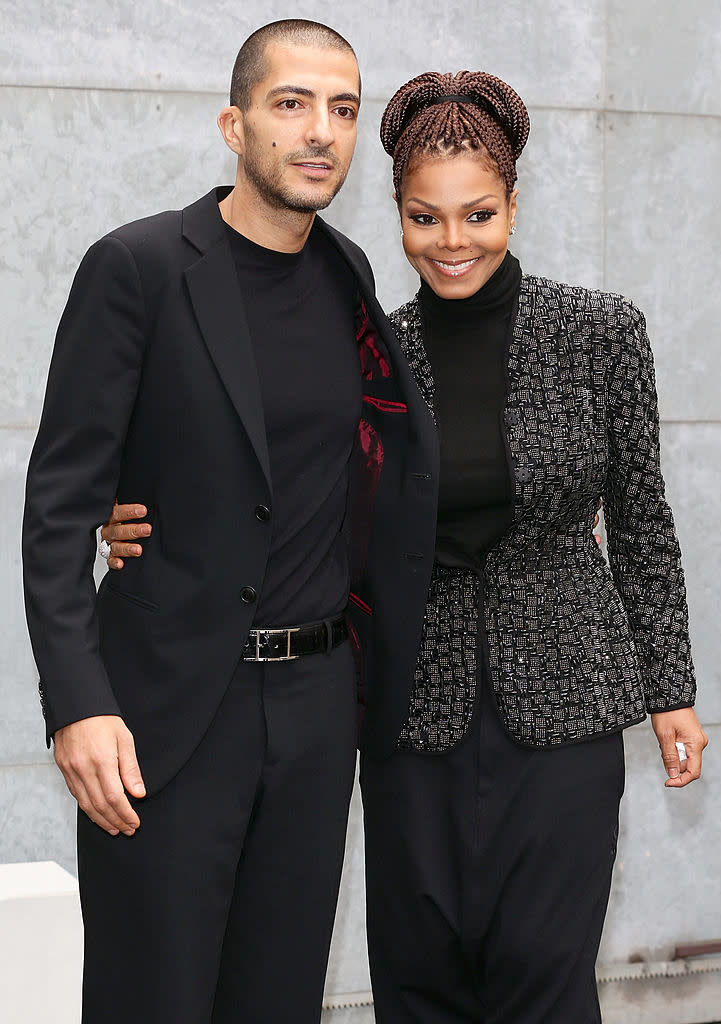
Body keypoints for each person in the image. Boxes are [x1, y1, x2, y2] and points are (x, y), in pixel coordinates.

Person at [104, 68, 709, 1022]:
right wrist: (138, 515)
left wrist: (670, 686)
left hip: (569, 705)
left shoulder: (599, 333)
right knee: (419, 980)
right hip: (408, 713)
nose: (452, 243)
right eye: (425, 219)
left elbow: (643, 522)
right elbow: (286, 482)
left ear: (513, 204)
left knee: (542, 974)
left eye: (477, 215)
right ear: (397, 214)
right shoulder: (374, 351)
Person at [22, 20, 439, 1024]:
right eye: (291, 104)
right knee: (151, 999)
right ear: (233, 122)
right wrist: (78, 701)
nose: (320, 132)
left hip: (313, 710)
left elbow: (373, 470)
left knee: (278, 1001)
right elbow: (58, 509)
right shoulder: (138, 268)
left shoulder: (348, 278)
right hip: (167, 716)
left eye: (342, 110)